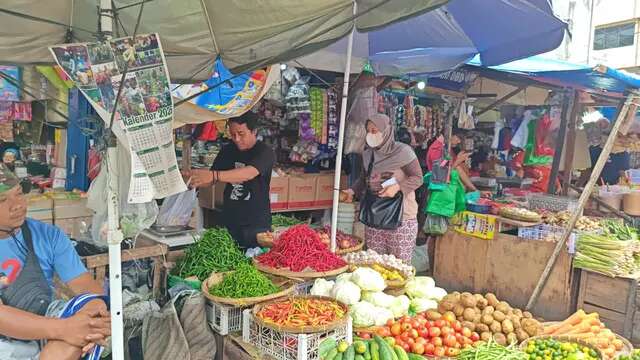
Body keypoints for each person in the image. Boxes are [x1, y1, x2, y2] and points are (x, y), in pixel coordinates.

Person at [0, 164, 111, 360]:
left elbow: (86, 287)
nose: (16, 205)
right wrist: (66, 329)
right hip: (6, 338)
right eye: (2, 200)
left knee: (88, 314)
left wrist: (94, 319)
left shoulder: (47, 235)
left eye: (18, 193)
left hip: (46, 327)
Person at [342, 114, 423, 263]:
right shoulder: (367, 155)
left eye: (375, 130)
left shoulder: (403, 151)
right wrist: (352, 190)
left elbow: (418, 178)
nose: (371, 135)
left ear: (386, 131)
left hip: (402, 219)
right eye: (369, 131)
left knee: (398, 266)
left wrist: (398, 187)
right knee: (375, 264)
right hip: (374, 217)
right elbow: (363, 178)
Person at [188, 112, 275, 249]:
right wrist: (194, 180)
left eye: (241, 134)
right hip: (230, 219)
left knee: (254, 261)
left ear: (254, 131)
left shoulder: (265, 152)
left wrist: (214, 176)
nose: (237, 139)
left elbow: (248, 173)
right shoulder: (228, 151)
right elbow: (211, 179)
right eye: (233, 134)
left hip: (256, 223)